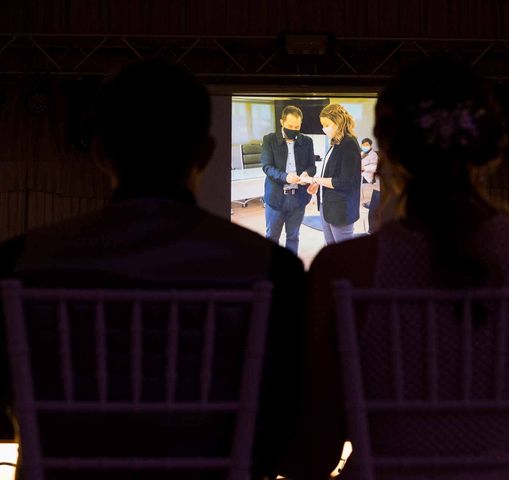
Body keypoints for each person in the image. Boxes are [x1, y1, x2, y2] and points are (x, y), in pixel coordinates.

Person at [293, 56, 509, 480]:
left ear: (388, 150)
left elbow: (314, 454)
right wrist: (504, 449)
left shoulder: (344, 267)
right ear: (494, 147)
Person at [0, 60, 305, 479]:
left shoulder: (21, 260)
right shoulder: (272, 269)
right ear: (205, 153)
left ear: (99, 151)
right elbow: (285, 431)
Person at [301, 104, 361, 245]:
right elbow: (331, 172)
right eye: (323, 125)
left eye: (327, 124)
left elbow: (345, 182)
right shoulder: (336, 143)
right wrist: (317, 184)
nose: (324, 129)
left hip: (341, 209)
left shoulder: (349, 144)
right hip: (326, 206)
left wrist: (314, 179)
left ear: (338, 122)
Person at [261, 105, 316, 254]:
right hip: (275, 198)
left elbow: (312, 166)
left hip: (298, 198)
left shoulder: (307, 141)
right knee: (272, 236)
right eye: (290, 125)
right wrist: (286, 177)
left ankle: (290, 269)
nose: (294, 128)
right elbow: (267, 167)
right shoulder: (269, 140)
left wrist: (306, 173)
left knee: (293, 236)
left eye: (297, 126)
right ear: (282, 122)